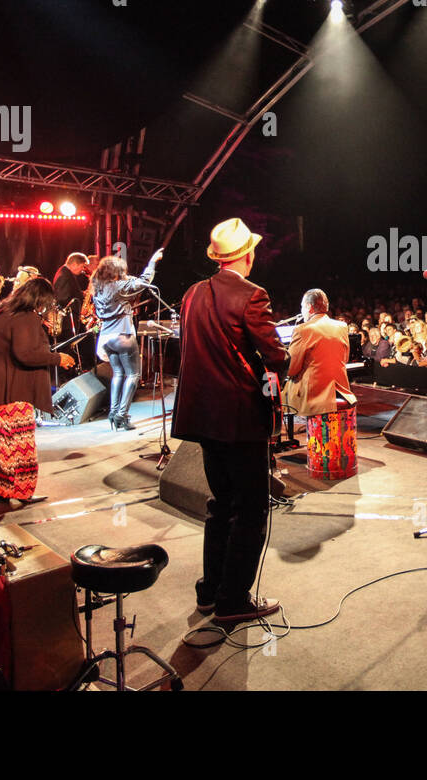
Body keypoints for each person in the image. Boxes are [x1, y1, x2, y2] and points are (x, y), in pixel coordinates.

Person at [172, 218, 287, 626]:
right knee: (251, 508)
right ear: (247, 254)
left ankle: (210, 592)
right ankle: (233, 599)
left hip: (201, 415)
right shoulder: (251, 294)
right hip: (239, 416)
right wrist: (277, 362)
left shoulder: (190, 293)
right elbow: (274, 356)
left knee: (220, 504)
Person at [0, 278, 75, 503]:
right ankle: (22, 491)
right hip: (6, 386)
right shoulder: (25, 318)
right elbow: (25, 354)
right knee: (19, 441)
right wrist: (58, 358)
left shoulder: (3, 309)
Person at [90, 249, 162, 430]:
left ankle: (113, 413)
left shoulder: (98, 289)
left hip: (106, 337)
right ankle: (122, 414)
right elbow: (144, 281)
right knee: (133, 374)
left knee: (118, 374)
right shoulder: (118, 287)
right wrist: (152, 262)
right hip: (122, 335)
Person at [282, 288, 354, 420]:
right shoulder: (341, 326)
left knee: (275, 396)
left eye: (302, 307)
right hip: (339, 390)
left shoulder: (303, 330)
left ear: (309, 307)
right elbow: (345, 358)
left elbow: (291, 369)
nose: (301, 310)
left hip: (313, 396)